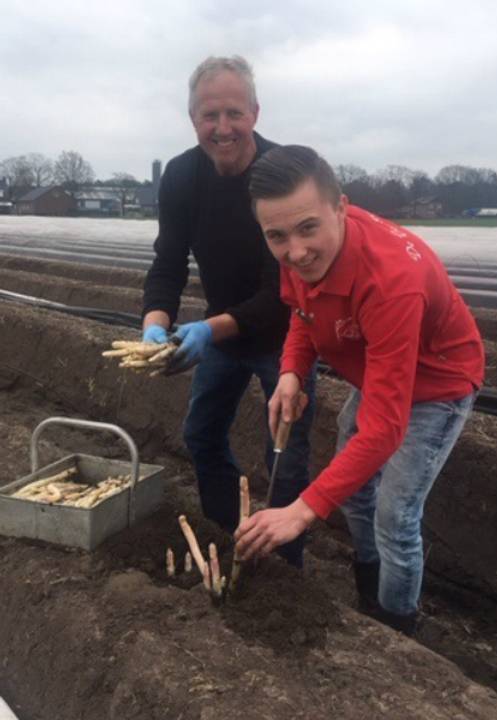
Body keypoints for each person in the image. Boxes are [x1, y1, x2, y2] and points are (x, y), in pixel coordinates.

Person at [234, 145, 485, 635]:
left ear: (342, 208)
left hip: (437, 384)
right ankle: (369, 588)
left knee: (395, 515)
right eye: (277, 236)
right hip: (378, 372)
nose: (295, 251)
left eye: (308, 228)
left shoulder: (392, 282)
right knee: (355, 494)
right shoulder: (298, 248)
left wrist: (303, 510)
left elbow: (387, 428)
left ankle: (397, 630)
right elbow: (304, 316)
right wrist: (290, 372)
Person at [141, 56, 315, 566]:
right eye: (209, 116)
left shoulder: (280, 175)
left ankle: (286, 566)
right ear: (193, 118)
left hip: (287, 337)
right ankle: (229, 535)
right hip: (220, 332)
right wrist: (155, 324)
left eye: (233, 114)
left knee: (284, 453)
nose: (222, 128)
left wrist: (206, 330)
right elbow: (168, 262)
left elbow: (277, 293)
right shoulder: (180, 177)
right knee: (201, 433)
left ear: (255, 114)